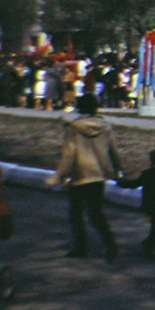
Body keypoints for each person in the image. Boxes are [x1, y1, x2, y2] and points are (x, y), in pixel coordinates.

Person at [45, 94, 121, 260]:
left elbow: (69, 154)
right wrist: (118, 170)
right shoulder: (106, 126)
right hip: (99, 175)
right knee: (97, 213)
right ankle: (111, 245)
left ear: (80, 108)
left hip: (80, 176)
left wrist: (62, 175)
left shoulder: (73, 127)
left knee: (76, 214)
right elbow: (113, 150)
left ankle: (81, 247)